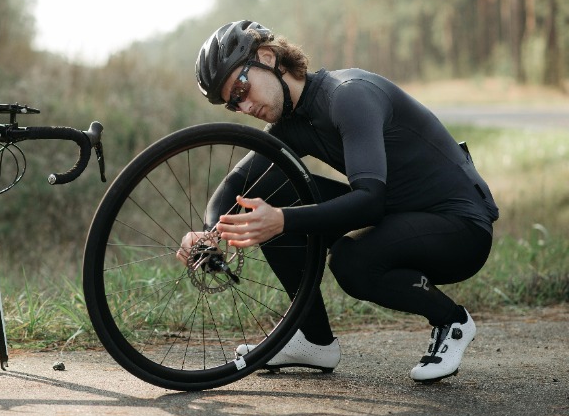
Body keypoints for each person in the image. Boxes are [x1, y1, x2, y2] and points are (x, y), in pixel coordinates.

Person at [180, 19, 498, 383]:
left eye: (241, 87)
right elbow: (239, 180)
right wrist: (208, 234)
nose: (245, 105)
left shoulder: (348, 95)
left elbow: (370, 202)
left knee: (351, 261)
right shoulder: (294, 121)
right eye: (232, 104)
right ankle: (313, 340)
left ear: (267, 57)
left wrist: (283, 221)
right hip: (402, 213)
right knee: (265, 190)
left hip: (460, 228)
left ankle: (452, 321)